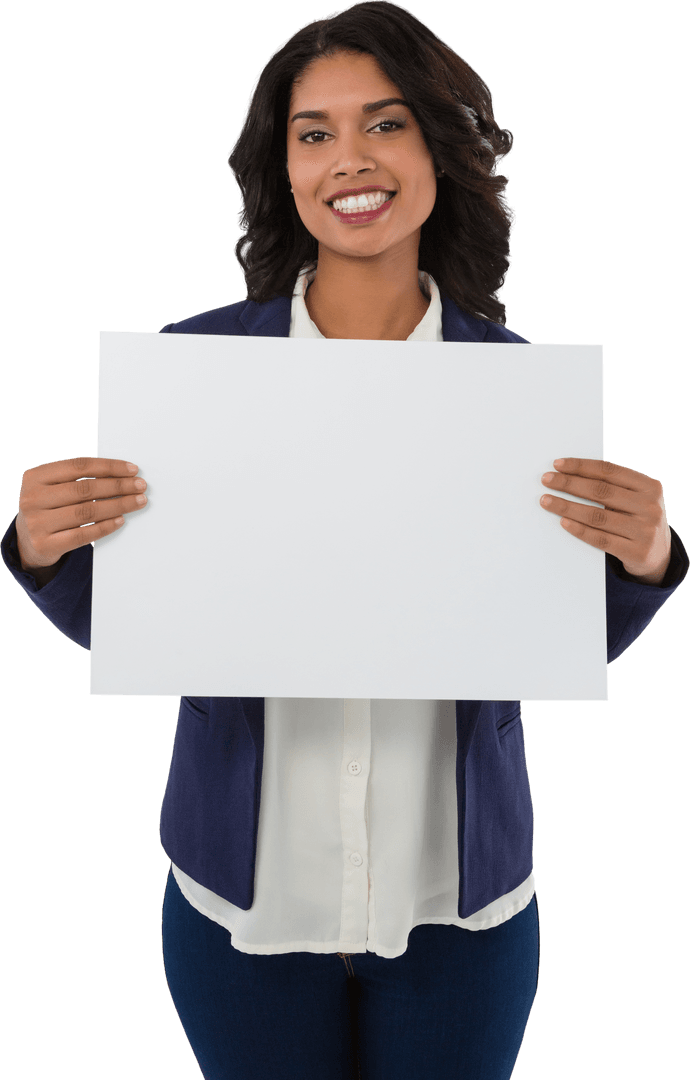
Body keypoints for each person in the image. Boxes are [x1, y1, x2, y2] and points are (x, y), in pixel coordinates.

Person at [2, 3, 687, 1078]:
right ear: (282, 166)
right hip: (245, 902)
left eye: (386, 123)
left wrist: (647, 562)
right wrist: (45, 553)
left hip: (463, 906)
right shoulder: (193, 378)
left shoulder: (519, 395)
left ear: (439, 149)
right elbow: (156, 628)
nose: (348, 159)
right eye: (312, 132)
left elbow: (542, 649)